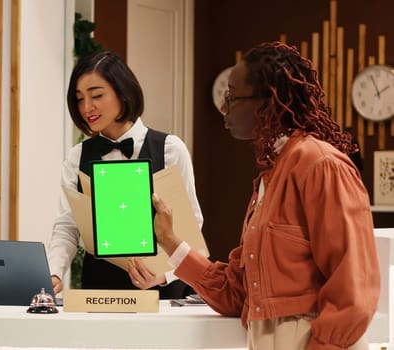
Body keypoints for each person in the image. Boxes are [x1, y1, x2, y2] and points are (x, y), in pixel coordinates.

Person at [144, 41, 380, 349]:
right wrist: (170, 241)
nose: (223, 107)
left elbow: (353, 290)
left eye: (232, 96)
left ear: (268, 102)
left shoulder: (320, 164)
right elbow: (236, 293)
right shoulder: (271, 177)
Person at [47, 51, 204, 299]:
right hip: (100, 289)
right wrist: (54, 272)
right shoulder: (77, 156)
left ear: (123, 92)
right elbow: (67, 226)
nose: (87, 107)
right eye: (79, 99)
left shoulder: (170, 149)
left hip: (163, 291)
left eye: (97, 95)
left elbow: (192, 225)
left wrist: (163, 274)